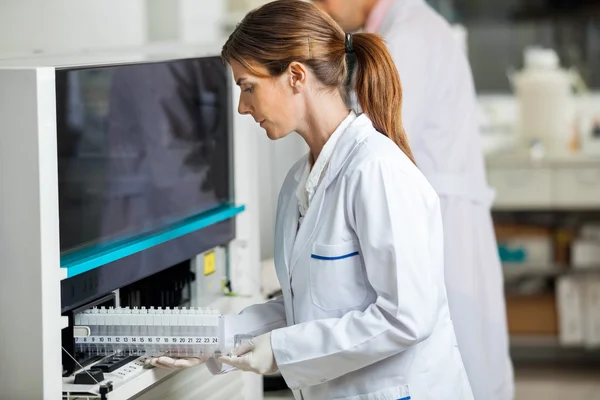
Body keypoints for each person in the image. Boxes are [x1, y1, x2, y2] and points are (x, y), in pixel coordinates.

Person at [148, 1, 473, 398]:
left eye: (248, 87)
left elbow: (406, 317)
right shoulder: (298, 183)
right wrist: (216, 336)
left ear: (296, 76)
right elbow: (308, 307)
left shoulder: (376, 171)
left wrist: (281, 350)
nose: (242, 107)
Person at [311, 1, 514, 399]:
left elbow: (374, 137)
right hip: (434, 213)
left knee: (462, 351)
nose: (321, 10)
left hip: (439, 219)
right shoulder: (403, 28)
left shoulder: (410, 36)